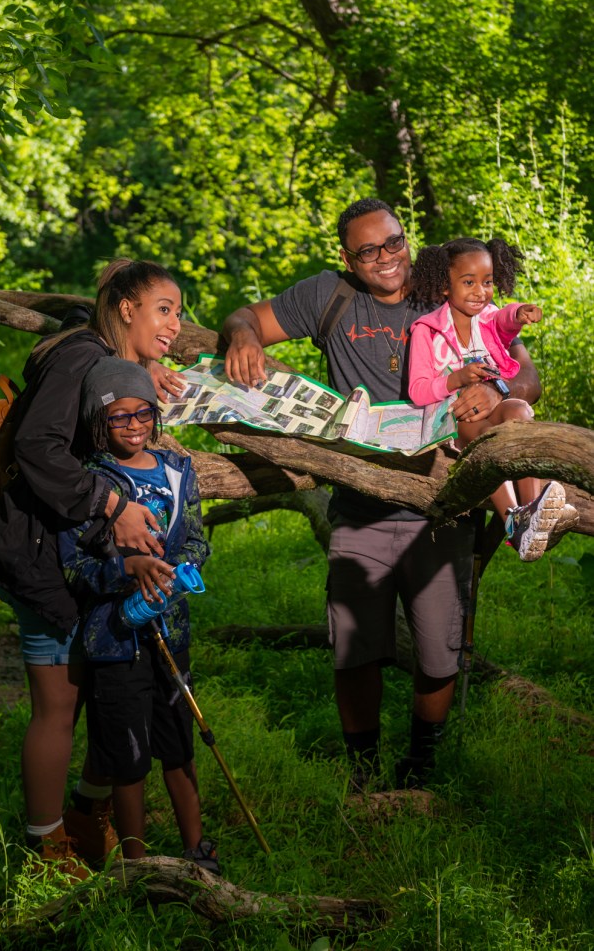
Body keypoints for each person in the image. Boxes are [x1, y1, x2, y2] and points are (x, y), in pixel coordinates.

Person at [220, 198, 547, 790]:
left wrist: (492, 388)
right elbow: (247, 317)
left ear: (407, 238)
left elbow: (525, 374)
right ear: (347, 256)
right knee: (355, 647)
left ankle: (420, 768)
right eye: (367, 250)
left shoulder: (445, 286)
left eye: (392, 242)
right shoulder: (329, 296)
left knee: (437, 650)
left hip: (443, 504)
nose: (385, 258)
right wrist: (241, 338)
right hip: (361, 506)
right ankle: (363, 771)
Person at [0, 259, 185, 877]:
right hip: (34, 551)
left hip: (76, 554)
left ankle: (87, 814)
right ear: (123, 308)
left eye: (178, 312)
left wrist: (145, 368)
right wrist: (113, 505)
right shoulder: (79, 357)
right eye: (163, 309)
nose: (175, 323)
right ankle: (46, 847)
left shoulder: (100, 356)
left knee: (107, 686)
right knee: (59, 704)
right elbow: (38, 446)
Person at [57, 358, 218, 873]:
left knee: (179, 741)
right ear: (98, 424)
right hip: (115, 640)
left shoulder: (178, 471)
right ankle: (136, 866)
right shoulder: (91, 483)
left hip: (172, 629)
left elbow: (195, 538)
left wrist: (179, 569)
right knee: (127, 756)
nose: (133, 426)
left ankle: (197, 851)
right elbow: (74, 565)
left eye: (142, 414)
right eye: (118, 417)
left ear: (156, 415)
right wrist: (128, 570)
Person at [408, 236, 572, 561]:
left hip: (491, 409)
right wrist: (454, 379)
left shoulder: (487, 317)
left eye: (488, 282)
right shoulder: (427, 331)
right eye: (468, 282)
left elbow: (504, 320)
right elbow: (418, 390)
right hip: (453, 421)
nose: (480, 292)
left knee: (520, 412)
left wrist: (519, 313)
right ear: (445, 285)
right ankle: (513, 520)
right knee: (487, 439)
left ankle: (533, 509)